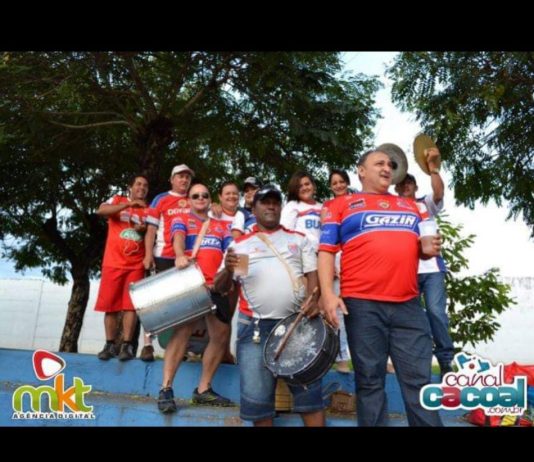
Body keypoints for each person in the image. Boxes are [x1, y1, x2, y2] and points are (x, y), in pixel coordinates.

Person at [318, 149, 443, 426]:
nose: (387, 168)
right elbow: (326, 250)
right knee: (370, 382)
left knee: (420, 383)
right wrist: (327, 294)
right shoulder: (339, 205)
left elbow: (425, 247)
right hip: (362, 305)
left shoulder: (413, 206)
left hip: (408, 305)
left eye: (390, 164)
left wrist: (428, 249)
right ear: (361, 171)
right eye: (379, 163)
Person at [214, 185, 325, 427]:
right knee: (259, 405)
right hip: (255, 329)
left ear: (281, 207)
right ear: (253, 209)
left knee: (310, 399)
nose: (271, 206)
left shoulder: (298, 239)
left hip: (297, 327)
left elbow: (312, 276)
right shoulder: (240, 246)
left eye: (275, 202)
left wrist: (313, 301)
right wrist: (228, 269)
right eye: (265, 202)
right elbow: (221, 287)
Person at [156, 183, 234, 413]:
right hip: (191, 283)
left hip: (215, 286)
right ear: (189, 200)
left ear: (210, 199)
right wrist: (180, 255)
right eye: (195, 195)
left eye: (204, 195)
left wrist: (229, 275)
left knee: (221, 334)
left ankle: (203, 389)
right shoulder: (182, 218)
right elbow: (178, 238)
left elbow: (230, 251)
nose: (200, 198)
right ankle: (166, 388)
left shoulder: (221, 226)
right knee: (182, 332)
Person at [395, 147, 454, 379]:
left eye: (409, 183)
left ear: (415, 186)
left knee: (436, 312)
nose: (406, 186)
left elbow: (439, 192)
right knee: (409, 318)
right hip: (405, 270)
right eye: (402, 183)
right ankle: (414, 362)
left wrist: (433, 168)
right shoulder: (392, 208)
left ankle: (446, 361)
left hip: (431, 270)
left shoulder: (424, 204)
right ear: (396, 188)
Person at [141, 164, 194, 362]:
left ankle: (179, 348)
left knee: (182, 305)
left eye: (187, 177)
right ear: (172, 179)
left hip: (187, 259)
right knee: (155, 303)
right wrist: (148, 255)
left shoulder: (195, 198)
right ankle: (147, 345)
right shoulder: (160, 199)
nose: (184, 180)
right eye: (180, 176)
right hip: (163, 255)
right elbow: (151, 230)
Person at [94, 174, 149, 361]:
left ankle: (127, 345)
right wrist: (129, 205)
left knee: (130, 307)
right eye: (138, 184)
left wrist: (143, 230)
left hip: (135, 264)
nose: (142, 188)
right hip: (113, 262)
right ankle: (109, 344)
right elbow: (101, 211)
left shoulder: (149, 209)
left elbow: (152, 233)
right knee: (110, 306)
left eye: (145, 186)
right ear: (130, 187)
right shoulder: (117, 199)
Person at [321, 169, 352, 374]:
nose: (339, 185)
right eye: (334, 183)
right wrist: (330, 262)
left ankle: (379, 360)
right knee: (337, 310)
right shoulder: (327, 206)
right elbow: (326, 234)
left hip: (356, 256)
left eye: (342, 181)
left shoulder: (358, 201)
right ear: (330, 187)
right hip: (337, 256)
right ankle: (341, 358)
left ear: (347, 183)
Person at [281, 171, 323, 252]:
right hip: (303, 254)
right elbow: (284, 234)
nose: (304, 188)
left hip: (324, 253)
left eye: (307, 184)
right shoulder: (292, 206)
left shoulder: (323, 207)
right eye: (300, 186)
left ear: (313, 186)